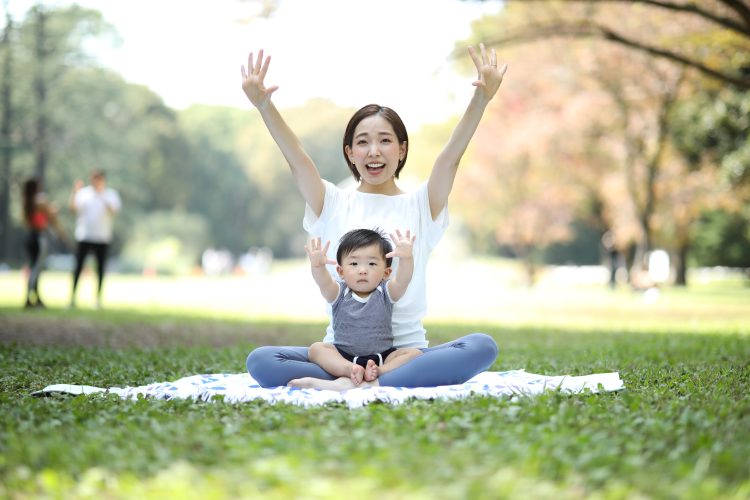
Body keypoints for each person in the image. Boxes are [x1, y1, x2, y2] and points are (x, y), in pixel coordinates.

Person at [241, 43, 507, 391]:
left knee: (482, 347)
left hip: (405, 352)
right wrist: (264, 105)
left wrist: (481, 99)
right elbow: (298, 161)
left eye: (385, 140)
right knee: (261, 361)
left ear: (402, 149)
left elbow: (450, 159)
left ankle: (366, 381)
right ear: (350, 153)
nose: (374, 151)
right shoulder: (331, 202)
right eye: (363, 142)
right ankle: (366, 379)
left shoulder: (422, 204)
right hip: (342, 353)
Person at [302, 228, 422, 387]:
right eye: (354, 263)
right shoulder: (338, 293)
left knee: (414, 353)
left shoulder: (386, 292)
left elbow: (403, 280)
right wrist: (318, 267)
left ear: (386, 272)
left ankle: (380, 372)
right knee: (316, 349)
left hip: (382, 357)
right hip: (343, 356)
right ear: (341, 271)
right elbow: (323, 282)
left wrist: (407, 258)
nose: (363, 270)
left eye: (372, 263)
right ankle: (350, 370)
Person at [69, 169, 121, 309]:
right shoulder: (84, 194)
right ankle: (72, 298)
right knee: (78, 267)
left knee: (100, 270)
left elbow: (114, 211)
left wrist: (102, 196)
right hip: (84, 236)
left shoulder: (110, 195)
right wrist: (75, 192)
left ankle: (97, 299)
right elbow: (73, 210)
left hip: (102, 237)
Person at [21, 177, 68, 309]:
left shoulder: (27, 202)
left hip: (29, 236)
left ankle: (35, 297)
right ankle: (29, 298)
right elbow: (51, 217)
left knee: (33, 268)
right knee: (36, 269)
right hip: (38, 237)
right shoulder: (40, 201)